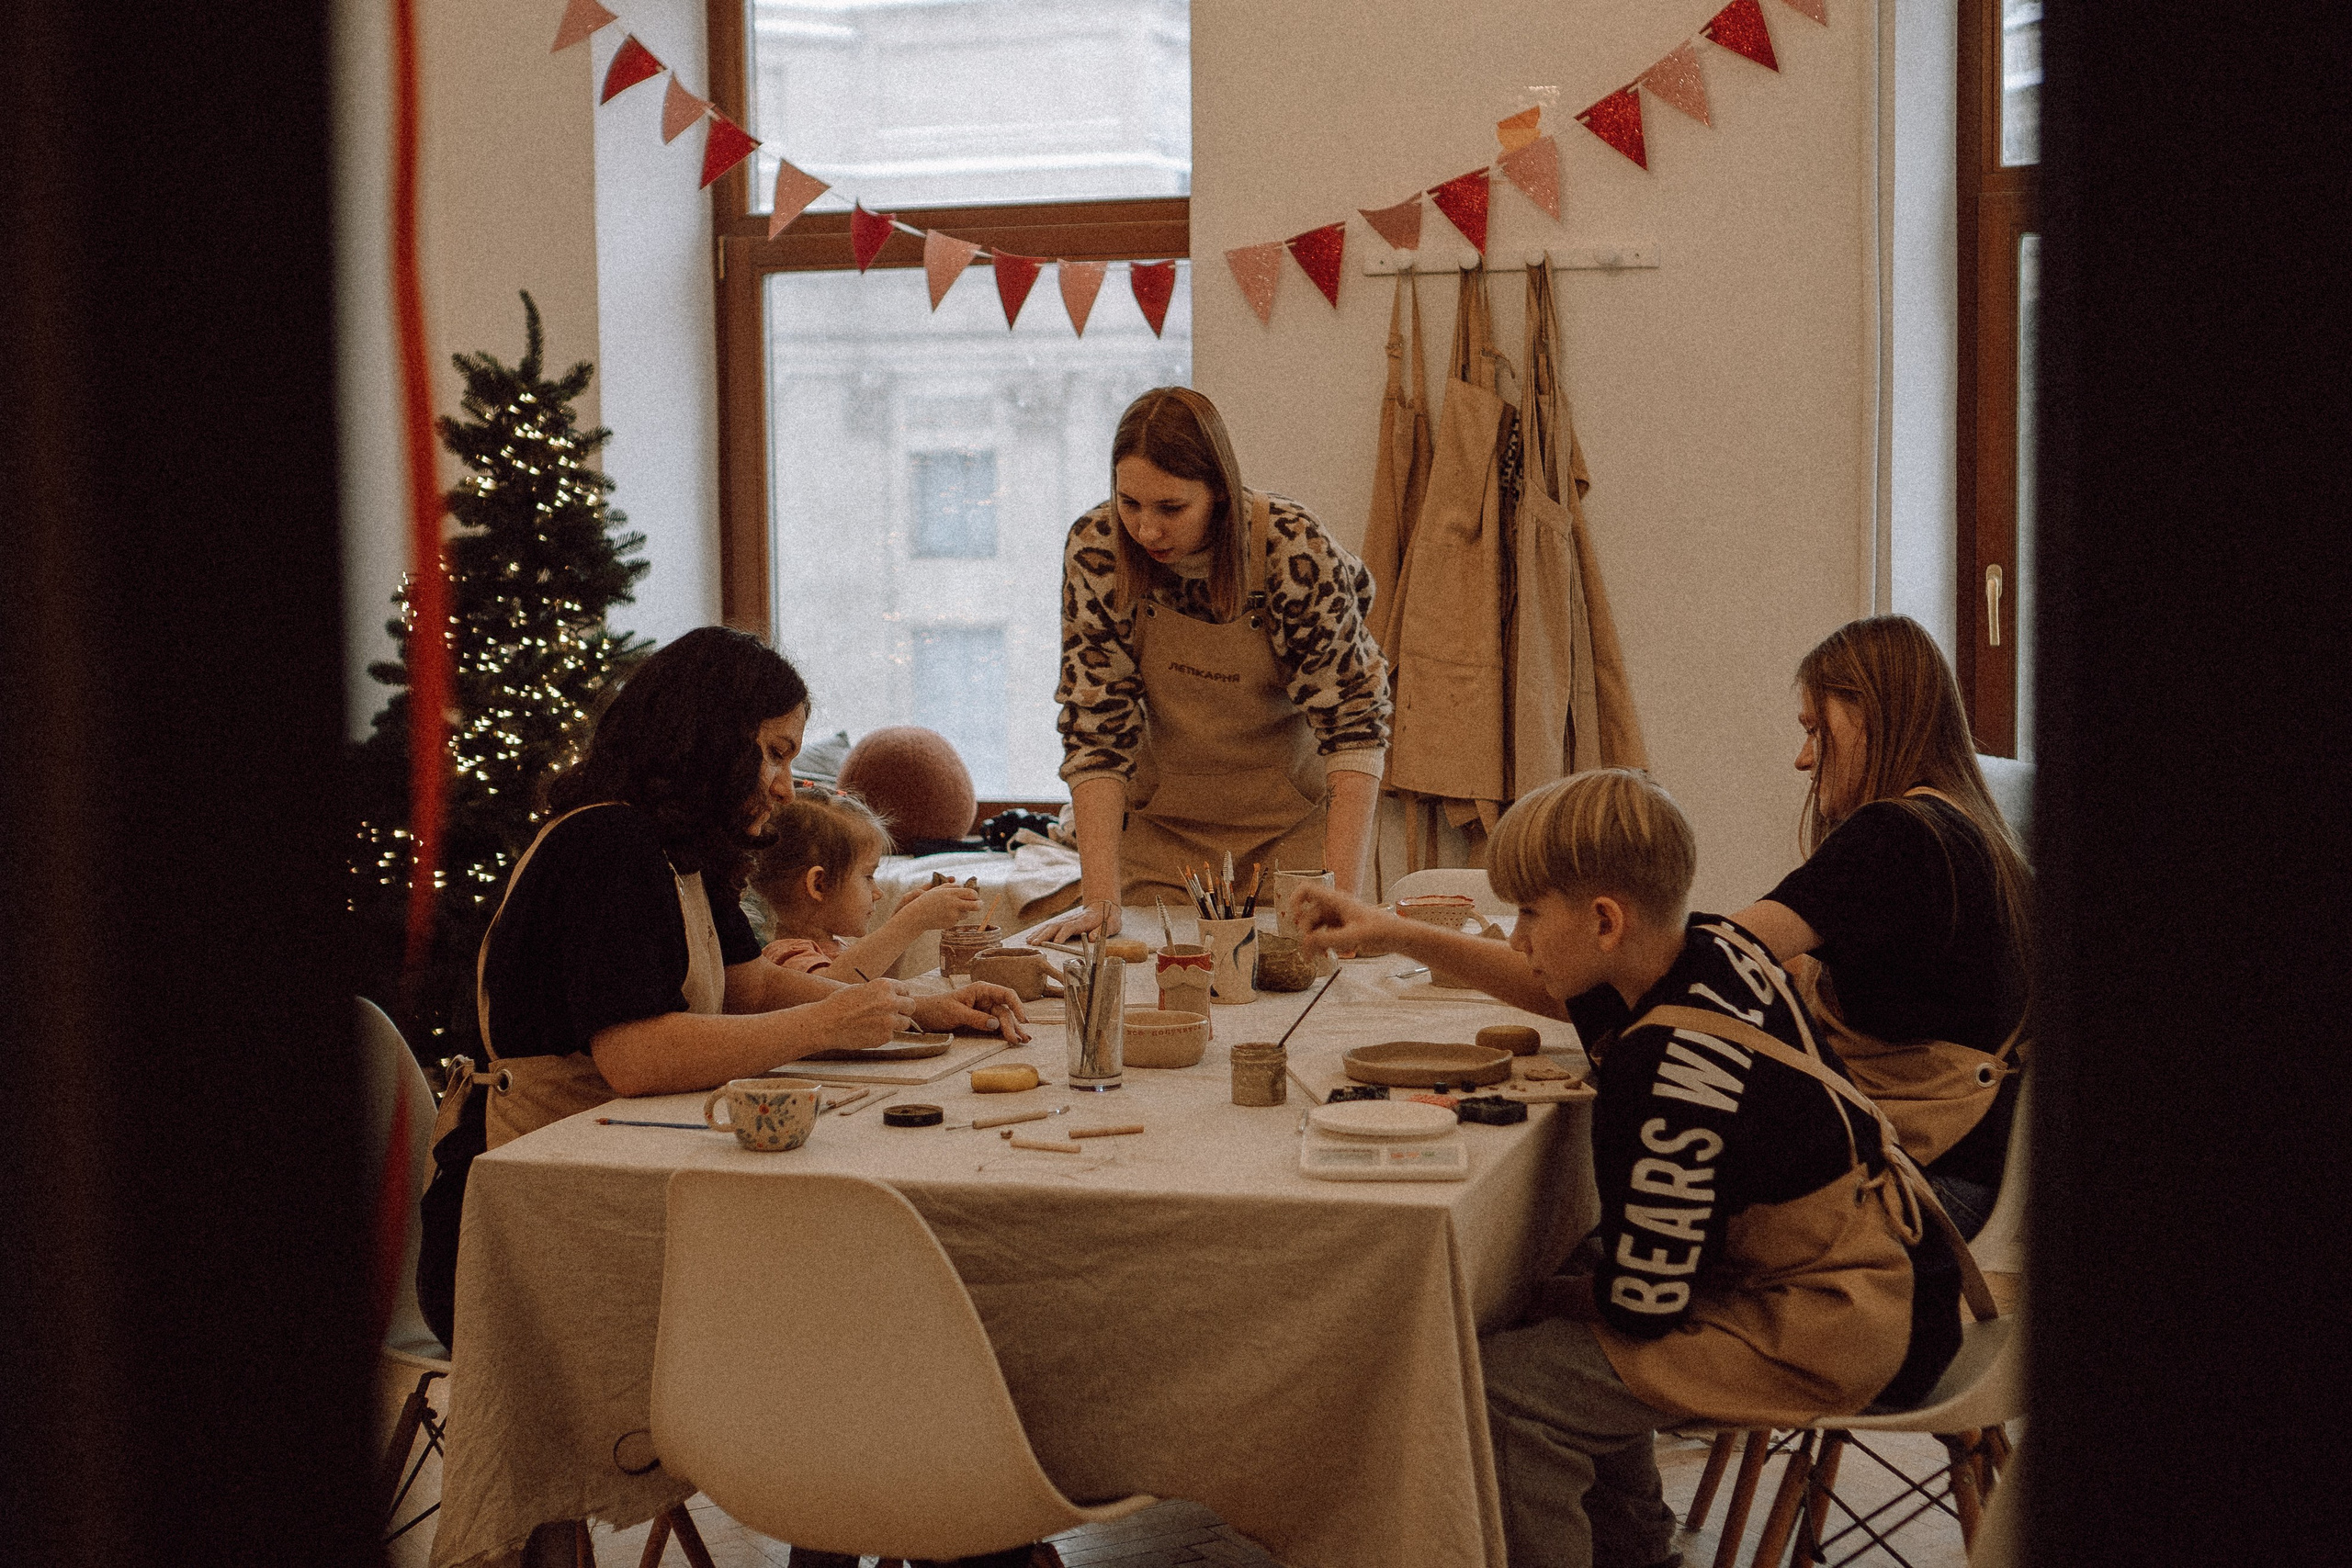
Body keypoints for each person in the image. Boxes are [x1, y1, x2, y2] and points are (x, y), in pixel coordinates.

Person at [1307, 770, 1961, 1568]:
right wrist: (1393, 930)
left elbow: (1643, 1310)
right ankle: (1635, 1550)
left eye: (1529, 914)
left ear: (1605, 920)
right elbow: (1551, 989)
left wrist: (1531, 1292)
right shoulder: (1715, 946)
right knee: (1550, 1315)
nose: (1517, 939)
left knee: (1505, 1392)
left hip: (1836, 1324)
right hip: (1901, 1268)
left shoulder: (1662, 1073)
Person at [469, 626, 1028, 1142]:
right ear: (709, 741)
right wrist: (826, 1023)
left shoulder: (681, 844)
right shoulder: (609, 839)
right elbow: (635, 1056)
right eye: (775, 754)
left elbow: (752, 988)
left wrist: (915, 1008)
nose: (786, 788)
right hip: (542, 1154)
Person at [1039, 386, 1391, 940]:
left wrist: (1339, 893)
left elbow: (1354, 725)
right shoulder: (1099, 549)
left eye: (1171, 508)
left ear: (1220, 494)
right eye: (1129, 503)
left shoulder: (1291, 547)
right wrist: (1100, 902)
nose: (1147, 530)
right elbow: (1095, 732)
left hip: (1291, 835)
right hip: (1162, 838)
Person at [1721, 615, 2030, 1237]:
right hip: (1970, 1174)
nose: (1803, 758)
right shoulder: (1966, 828)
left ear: (1870, 712)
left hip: (1926, 1184)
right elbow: (1793, 966)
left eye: (1815, 728)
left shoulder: (1894, 834)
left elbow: (1715, 956)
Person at [750, 784, 982, 977]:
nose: (877, 892)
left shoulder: (833, 947)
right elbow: (835, 992)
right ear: (819, 885)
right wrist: (912, 921)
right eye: (868, 876)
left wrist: (901, 918)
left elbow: (872, 988)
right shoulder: (788, 956)